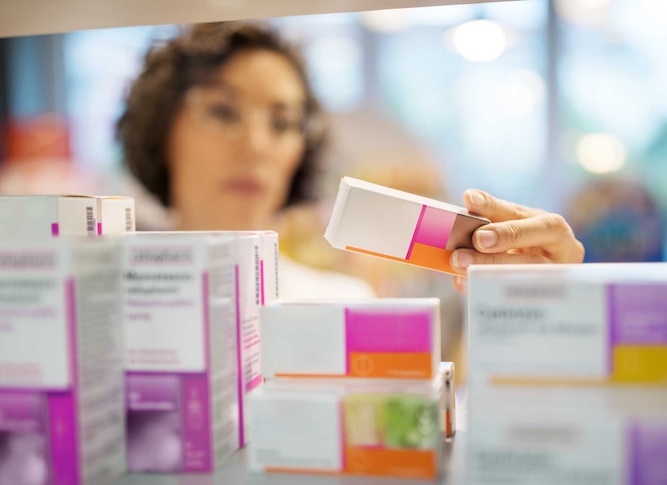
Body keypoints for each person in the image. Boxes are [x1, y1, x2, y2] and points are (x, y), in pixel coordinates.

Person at [117, 21, 584, 299]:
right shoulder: (101, 297)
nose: (257, 145)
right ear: (160, 128)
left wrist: (546, 308)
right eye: (222, 111)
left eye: (282, 122)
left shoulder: (342, 305)